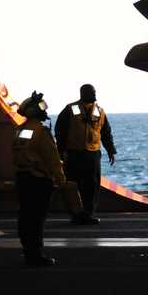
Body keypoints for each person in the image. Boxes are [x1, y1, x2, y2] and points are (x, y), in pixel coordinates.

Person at [10, 92, 81, 267]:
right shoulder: (41, 132)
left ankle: (29, 251)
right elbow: (52, 159)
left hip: (23, 178)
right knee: (37, 218)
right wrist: (61, 180)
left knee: (26, 217)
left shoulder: (21, 130)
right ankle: (36, 255)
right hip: (39, 180)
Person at [53, 84, 116, 224]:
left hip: (92, 154)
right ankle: (76, 214)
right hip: (74, 153)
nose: (93, 93)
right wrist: (61, 151)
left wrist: (111, 150)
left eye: (93, 91)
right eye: (89, 92)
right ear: (82, 93)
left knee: (92, 186)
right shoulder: (70, 109)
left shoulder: (99, 111)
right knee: (74, 186)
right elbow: (60, 131)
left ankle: (88, 214)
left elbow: (106, 133)